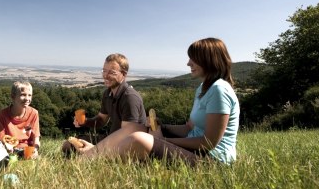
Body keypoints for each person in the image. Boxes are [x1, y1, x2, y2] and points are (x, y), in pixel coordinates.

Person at [71, 38, 240, 165]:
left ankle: (90, 158)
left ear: (208, 60)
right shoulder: (204, 88)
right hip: (194, 151)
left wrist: (161, 141)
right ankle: (94, 155)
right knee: (142, 135)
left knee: (138, 138)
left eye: (193, 59)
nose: (188, 63)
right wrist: (158, 128)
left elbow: (207, 143)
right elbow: (189, 128)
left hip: (212, 161)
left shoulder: (219, 90)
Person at [62, 53, 146, 155]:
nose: (105, 75)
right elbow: (101, 120)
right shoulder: (108, 93)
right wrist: (85, 122)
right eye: (104, 71)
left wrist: (96, 150)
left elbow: (128, 136)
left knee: (78, 151)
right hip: (110, 138)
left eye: (112, 72)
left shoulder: (129, 97)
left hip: (124, 147)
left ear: (123, 74)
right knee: (68, 145)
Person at [0, 81, 40, 159]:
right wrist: (7, 146)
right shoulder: (2, 114)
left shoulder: (34, 113)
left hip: (27, 149)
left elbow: (35, 137)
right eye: (23, 95)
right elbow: (1, 137)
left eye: (30, 95)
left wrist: (35, 149)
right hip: (9, 148)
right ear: (13, 96)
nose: (27, 99)